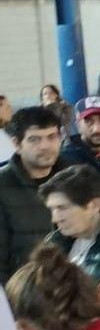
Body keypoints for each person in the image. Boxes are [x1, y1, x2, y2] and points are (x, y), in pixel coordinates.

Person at [0, 106, 62, 273]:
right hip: (25, 291)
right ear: (17, 144)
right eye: (34, 139)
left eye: (52, 137)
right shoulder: (3, 187)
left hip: (74, 289)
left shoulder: (77, 177)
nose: (45, 146)